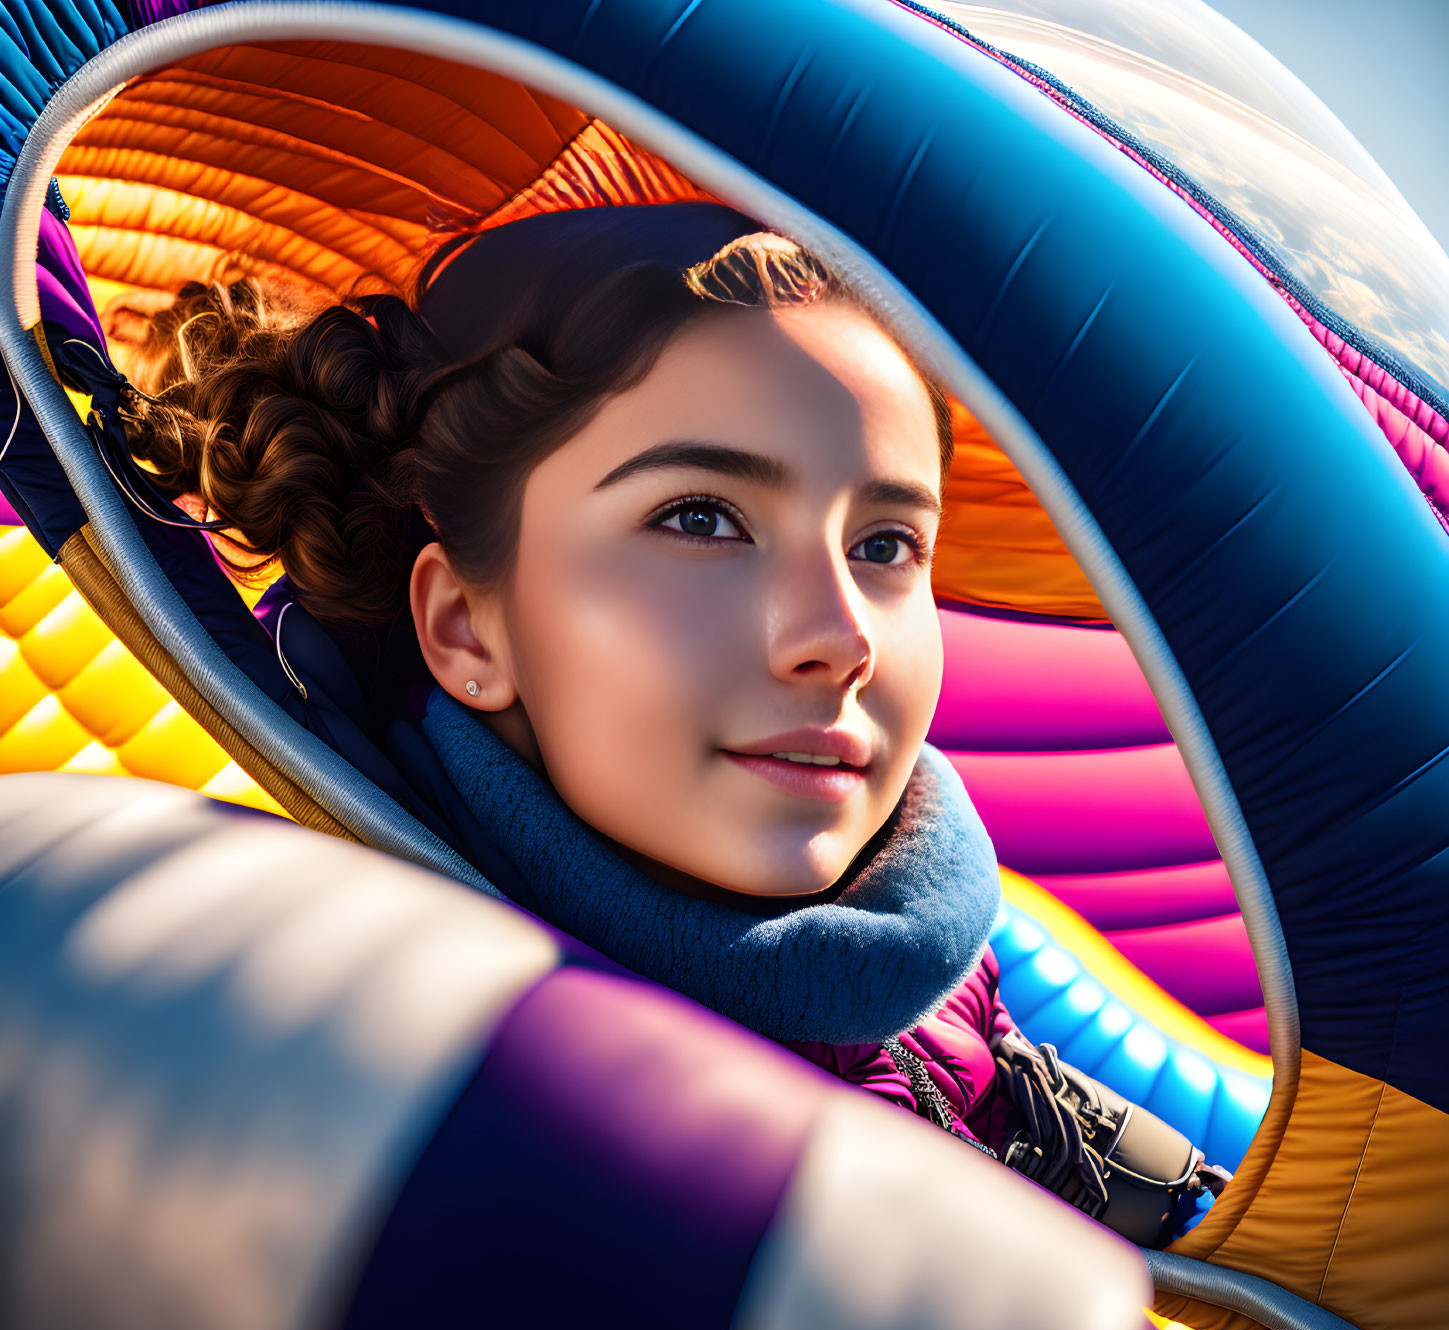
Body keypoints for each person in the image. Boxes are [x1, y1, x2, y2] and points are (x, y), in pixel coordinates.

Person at [117, 201, 1220, 1243]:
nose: (839, 637)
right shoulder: (366, 1054)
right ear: (466, 628)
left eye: (885, 545)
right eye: (702, 519)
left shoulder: (940, 978)